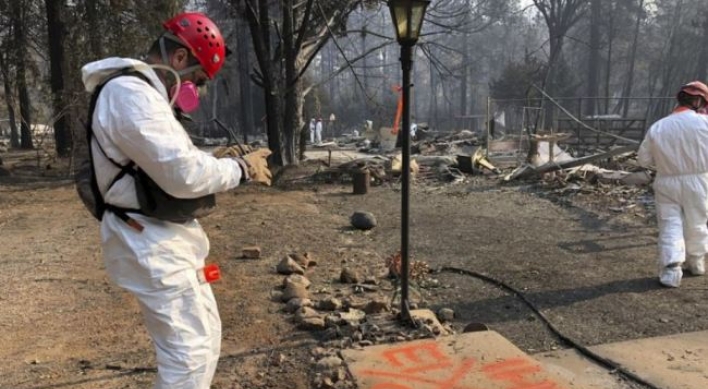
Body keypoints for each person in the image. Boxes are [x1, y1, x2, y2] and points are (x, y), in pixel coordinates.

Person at [81, 12, 271, 388]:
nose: (196, 92)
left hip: (162, 238)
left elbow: (165, 163)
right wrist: (240, 169)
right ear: (180, 59)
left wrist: (215, 162)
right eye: (199, 79)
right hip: (149, 241)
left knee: (200, 343)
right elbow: (182, 174)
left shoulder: (141, 95)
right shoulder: (129, 94)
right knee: (188, 357)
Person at [638, 81, 708, 287]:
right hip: (699, 180)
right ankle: (696, 263)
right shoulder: (705, 124)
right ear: (698, 100)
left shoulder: (658, 126)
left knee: (670, 224)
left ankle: (671, 271)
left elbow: (643, 160)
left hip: (666, 181)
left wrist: (665, 163)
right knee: (697, 221)